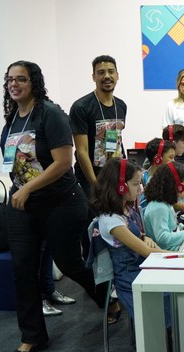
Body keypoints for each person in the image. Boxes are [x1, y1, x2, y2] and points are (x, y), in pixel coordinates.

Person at [0, 60, 109, 352]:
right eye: (10, 80)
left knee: (70, 263)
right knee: (22, 268)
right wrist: (18, 188)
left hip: (61, 201)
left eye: (21, 79)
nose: (14, 84)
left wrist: (27, 188)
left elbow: (62, 163)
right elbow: (14, 162)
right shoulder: (13, 119)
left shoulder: (51, 114)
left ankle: (105, 297)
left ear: (34, 82)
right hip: (24, 205)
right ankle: (32, 336)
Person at [89, 158, 169, 322]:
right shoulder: (112, 220)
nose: (141, 189)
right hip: (130, 277)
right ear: (120, 186)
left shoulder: (126, 208)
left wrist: (144, 237)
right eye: (136, 184)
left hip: (140, 267)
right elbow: (147, 252)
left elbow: (138, 237)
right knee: (172, 291)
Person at [70, 55, 127, 259]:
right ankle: (94, 280)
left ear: (117, 75)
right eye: (101, 72)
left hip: (114, 176)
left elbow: (117, 140)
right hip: (90, 179)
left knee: (116, 225)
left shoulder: (121, 106)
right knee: (94, 227)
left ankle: (116, 273)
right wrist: (95, 185)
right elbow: (81, 151)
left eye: (111, 71)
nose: (106, 76)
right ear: (93, 77)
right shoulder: (82, 107)